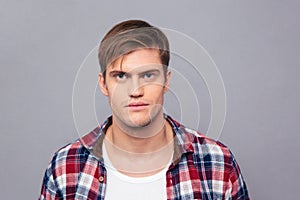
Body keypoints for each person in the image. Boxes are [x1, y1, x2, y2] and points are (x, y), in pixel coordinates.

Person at [39, 19, 249, 200]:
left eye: (148, 75)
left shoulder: (217, 163)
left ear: (166, 81)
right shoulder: (65, 168)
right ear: (104, 85)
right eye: (121, 76)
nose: (135, 91)